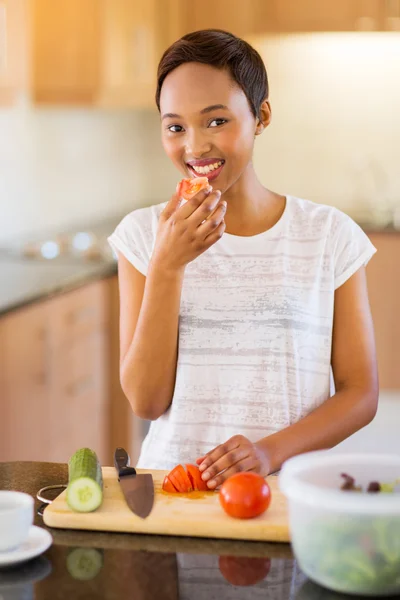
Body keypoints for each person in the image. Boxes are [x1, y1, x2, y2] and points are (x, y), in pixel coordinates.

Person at [108, 29, 378, 489]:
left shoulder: (328, 235)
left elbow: (360, 394)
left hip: (286, 495)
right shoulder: (143, 236)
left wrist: (267, 452)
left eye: (216, 121)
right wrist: (168, 266)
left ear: (261, 116)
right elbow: (146, 402)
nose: (194, 147)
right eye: (175, 127)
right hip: (175, 495)